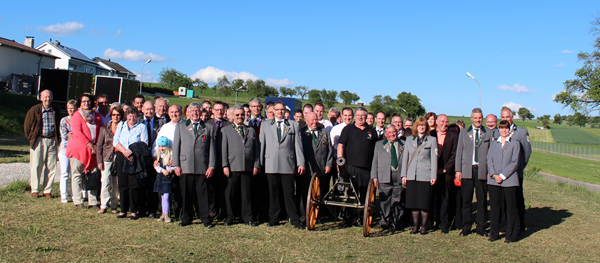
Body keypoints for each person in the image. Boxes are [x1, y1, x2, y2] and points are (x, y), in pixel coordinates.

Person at [260, 101, 305, 229]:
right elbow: (262, 144)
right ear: (273, 111)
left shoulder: (293, 125)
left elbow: (298, 146)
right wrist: (260, 163)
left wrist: (300, 163)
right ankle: (274, 218)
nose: (280, 112)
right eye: (277, 109)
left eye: (282, 109)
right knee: (273, 192)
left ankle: (294, 218)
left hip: (288, 164)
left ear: (285, 111)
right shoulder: (265, 125)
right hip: (271, 163)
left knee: (289, 193)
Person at [173, 102, 216, 228]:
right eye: (193, 111)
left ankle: (205, 218)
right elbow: (176, 147)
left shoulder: (208, 127)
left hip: (202, 166)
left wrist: (211, 166)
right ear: (189, 113)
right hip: (185, 165)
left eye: (197, 111)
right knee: (186, 194)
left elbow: (212, 149)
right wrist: (176, 165)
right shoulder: (181, 126)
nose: (195, 113)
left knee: (203, 194)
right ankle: (187, 218)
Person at [455, 108, 493, 237]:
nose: (478, 120)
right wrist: (458, 170)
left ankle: (481, 227)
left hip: (482, 170)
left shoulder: (488, 133)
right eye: (476, 118)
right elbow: (459, 152)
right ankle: (466, 226)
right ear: (471, 118)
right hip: (467, 170)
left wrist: (490, 171)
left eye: (480, 118)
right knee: (466, 201)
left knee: (482, 201)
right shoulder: (464, 132)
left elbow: (491, 153)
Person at [337, 107, 377, 227]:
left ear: (366, 117)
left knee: (364, 194)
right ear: (355, 116)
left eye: (363, 116)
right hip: (350, 167)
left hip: (366, 168)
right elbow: (340, 145)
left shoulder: (371, 130)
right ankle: (348, 219)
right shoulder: (348, 129)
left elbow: (376, 149)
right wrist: (340, 160)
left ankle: (362, 218)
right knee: (349, 194)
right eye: (358, 115)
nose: (360, 117)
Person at [221, 106, 260, 226]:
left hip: (247, 166)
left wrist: (256, 165)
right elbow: (223, 150)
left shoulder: (250, 130)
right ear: (232, 116)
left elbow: (256, 150)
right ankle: (230, 217)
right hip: (232, 166)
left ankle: (247, 217)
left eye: (242, 115)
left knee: (246, 194)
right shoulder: (226, 130)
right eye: (237, 115)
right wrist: (225, 165)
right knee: (231, 194)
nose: (240, 117)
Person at [401, 117, 437, 235]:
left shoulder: (431, 140)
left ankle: (424, 226)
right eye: (419, 125)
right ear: (416, 126)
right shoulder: (409, 140)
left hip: (425, 175)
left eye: (424, 125)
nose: (421, 127)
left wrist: (433, 175)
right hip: (412, 175)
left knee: (424, 203)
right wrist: (404, 175)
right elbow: (405, 158)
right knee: (413, 203)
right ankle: (415, 226)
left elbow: (434, 159)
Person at [67, 93, 103, 210]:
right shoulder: (77, 115)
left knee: (93, 174)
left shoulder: (96, 116)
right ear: (80, 103)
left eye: (88, 101)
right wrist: (90, 145)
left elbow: (101, 131)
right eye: (83, 101)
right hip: (78, 149)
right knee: (77, 173)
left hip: (93, 151)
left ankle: (93, 201)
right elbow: (77, 132)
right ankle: (78, 200)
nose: (86, 103)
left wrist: (96, 146)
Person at [487, 120, 521, 243]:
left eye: (506, 128)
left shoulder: (515, 144)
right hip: (494, 181)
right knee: (495, 208)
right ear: (499, 129)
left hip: (509, 180)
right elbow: (489, 159)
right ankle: (494, 234)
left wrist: (502, 175)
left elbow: (515, 162)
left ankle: (510, 235)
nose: (504, 130)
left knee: (511, 208)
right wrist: (494, 175)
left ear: (509, 129)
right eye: (501, 128)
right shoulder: (493, 143)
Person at [113, 107, 149, 220]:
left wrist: (131, 151)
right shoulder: (121, 125)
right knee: (123, 184)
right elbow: (115, 141)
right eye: (130, 116)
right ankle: (123, 210)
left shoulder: (142, 127)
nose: (132, 118)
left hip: (135, 157)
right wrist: (124, 151)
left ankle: (134, 210)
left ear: (137, 116)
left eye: (134, 116)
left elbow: (144, 143)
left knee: (133, 185)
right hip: (121, 156)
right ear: (126, 116)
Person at [24, 90, 61, 198]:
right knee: (36, 165)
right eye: (45, 97)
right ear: (40, 98)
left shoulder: (56, 110)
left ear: (52, 97)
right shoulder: (34, 110)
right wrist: (32, 138)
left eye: (49, 96)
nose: (47, 99)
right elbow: (27, 126)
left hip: (52, 140)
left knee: (51, 166)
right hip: (38, 140)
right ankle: (35, 189)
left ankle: (47, 190)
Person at [299, 112, 334, 224]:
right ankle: (304, 216)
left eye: (316, 119)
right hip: (306, 169)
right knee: (304, 193)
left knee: (318, 193)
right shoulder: (301, 133)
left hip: (321, 168)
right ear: (306, 121)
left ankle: (316, 216)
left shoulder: (325, 132)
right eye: (312, 120)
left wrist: (328, 164)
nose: (314, 122)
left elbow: (330, 149)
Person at [500, 108, 531, 235]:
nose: (505, 119)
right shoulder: (498, 131)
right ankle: (505, 224)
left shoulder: (522, 133)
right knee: (504, 200)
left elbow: (527, 153)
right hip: (502, 174)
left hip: (516, 173)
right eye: (503, 117)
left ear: (512, 117)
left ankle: (520, 225)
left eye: (507, 117)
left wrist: (519, 167)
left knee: (517, 199)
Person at [153, 104, 184, 220]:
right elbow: (157, 145)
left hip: (181, 163)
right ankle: (165, 212)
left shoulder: (186, 125)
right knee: (165, 191)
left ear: (181, 112)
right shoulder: (165, 127)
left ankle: (178, 213)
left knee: (178, 190)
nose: (174, 114)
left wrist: (176, 158)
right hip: (165, 162)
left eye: (176, 112)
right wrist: (156, 159)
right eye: (171, 112)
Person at [371, 125, 404, 230]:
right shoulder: (379, 145)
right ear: (385, 134)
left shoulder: (403, 144)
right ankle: (384, 221)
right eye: (389, 132)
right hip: (384, 175)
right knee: (385, 200)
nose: (392, 134)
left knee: (397, 200)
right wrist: (374, 177)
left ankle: (396, 221)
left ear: (397, 132)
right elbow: (375, 162)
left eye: (393, 132)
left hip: (398, 175)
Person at [432, 114, 460, 234]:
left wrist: (445, 169)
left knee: (445, 198)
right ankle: (434, 222)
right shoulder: (431, 134)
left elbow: (455, 154)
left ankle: (444, 224)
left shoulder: (453, 136)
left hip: (446, 173)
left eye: (447, 122)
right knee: (434, 198)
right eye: (442, 121)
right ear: (437, 122)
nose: (445, 124)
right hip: (432, 172)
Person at [243, 97, 268, 222]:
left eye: (258, 106)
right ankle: (249, 214)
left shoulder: (267, 122)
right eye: (254, 106)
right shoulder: (244, 122)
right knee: (249, 189)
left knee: (262, 189)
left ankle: (262, 214)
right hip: (248, 160)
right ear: (250, 108)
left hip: (264, 160)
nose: (256, 108)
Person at [96, 106, 123, 213]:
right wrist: (99, 161)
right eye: (113, 115)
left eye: (118, 115)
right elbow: (99, 146)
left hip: (119, 157)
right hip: (107, 157)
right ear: (110, 116)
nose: (116, 117)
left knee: (116, 182)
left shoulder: (123, 128)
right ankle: (104, 204)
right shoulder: (104, 129)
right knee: (105, 181)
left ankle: (114, 205)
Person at [207, 101, 231, 220]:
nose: (219, 112)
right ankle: (212, 211)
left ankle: (223, 212)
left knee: (224, 189)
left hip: (225, 162)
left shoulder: (229, 125)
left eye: (221, 110)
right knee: (211, 189)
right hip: (211, 162)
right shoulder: (207, 124)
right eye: (217, 110)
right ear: (212, 111)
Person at [58, 100, 76, 203]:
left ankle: (74, 195)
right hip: (65, 149)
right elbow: (64, 135)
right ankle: (64, 195)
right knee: (65, 173)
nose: (70, 110)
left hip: (75, 150)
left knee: (74, 173)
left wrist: (72, 135)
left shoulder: (79, 120)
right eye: (69, 108)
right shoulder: (64, 120)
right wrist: (71, 135)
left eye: (72, 108)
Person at [154, 136, 175, 223]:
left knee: (166, 196)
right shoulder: (158, 157)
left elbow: (172, 166)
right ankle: (163, 213)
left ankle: (166, 214)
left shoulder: (170, 157)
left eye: (163, 146)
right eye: (160, 146)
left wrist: (170, 170)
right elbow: (157, 167)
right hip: (160, 178)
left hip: (167, 179)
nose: (161, 148)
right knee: (162, 197)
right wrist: (162, 170)